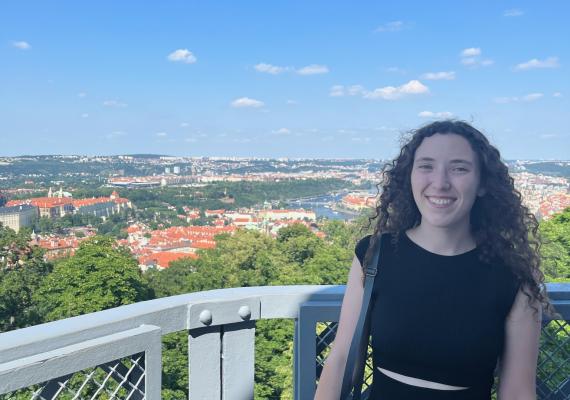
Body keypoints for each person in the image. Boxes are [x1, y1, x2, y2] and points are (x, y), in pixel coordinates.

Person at [315, 120, 554, 400]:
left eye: (459, 168)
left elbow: (517, 392)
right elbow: (342, 359)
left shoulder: (514, 276)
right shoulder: (373, 255)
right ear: (410, 177)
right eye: (426, 166)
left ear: (482, 184)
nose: (440, 183)